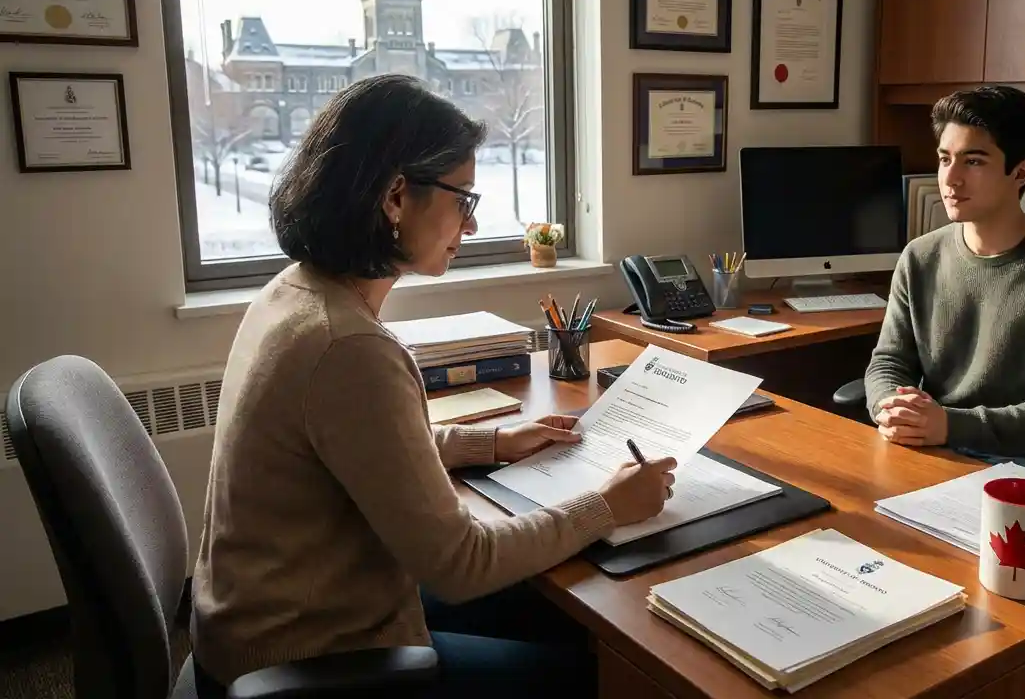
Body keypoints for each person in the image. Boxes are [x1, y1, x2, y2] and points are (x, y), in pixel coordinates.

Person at [190, 74, 677, 698]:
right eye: (464, 200)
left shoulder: (295, 292)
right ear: (396, 196)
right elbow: (460, 565)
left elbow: (357, 450)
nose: (469, 227)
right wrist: (608, 505)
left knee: (562, 611)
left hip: (262, 622)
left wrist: (491, 443)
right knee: (607, 674)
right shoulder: (349, 346)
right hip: (313, 658)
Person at [864, 86, 1025, 472]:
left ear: (1021, 171)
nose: (951, 179)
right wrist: (890, 408)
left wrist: (951, 425)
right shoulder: (920, 257)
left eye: (973, 162)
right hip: (931, 450)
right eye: (945, 159)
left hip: (1023, 465)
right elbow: (889, 362)